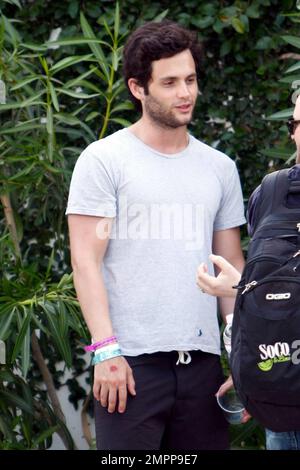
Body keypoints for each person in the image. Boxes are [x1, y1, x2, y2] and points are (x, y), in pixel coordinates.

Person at [66, 20, 245, 450]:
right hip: (128, 366)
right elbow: (85, 262)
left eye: (190, 79)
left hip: (202, 366)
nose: (185, 93)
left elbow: (231, 269)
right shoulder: (104, 161)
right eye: (169, 83)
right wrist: (106, 351)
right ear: (137, 88)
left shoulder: (219, 168)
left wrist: (241, 354)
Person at [197, 94, 300, 450]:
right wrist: (247, 369)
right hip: (281, 401)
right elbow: (270, 293)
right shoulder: (271, 192)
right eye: (297, 123)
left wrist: (238, 288)